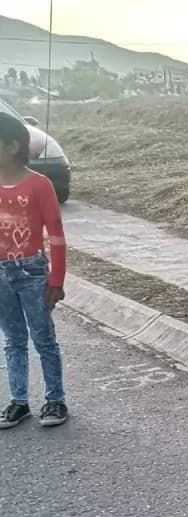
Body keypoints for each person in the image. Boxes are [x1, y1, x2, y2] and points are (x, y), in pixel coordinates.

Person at [0, 113, 68, 430]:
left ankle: (55, 399)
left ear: (12, 146)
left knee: (44, 338)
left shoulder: (40, 185)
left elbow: (56, 235)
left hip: (32, 272)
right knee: (13, 340)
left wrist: (56, 281)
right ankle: (19, 402)